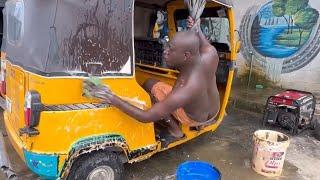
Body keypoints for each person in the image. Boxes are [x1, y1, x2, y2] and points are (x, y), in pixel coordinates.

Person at [100, 17, 220, 141]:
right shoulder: (211, 54)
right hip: (214, 112)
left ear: (186, 55)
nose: (165, 51)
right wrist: (197, 28)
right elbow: (203, 41)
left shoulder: (185, 90)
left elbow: (146, 117)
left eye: (171, 49)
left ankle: (175, 130)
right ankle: (204, 122)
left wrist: (111, 98)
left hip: (194, 119)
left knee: (150, 85)